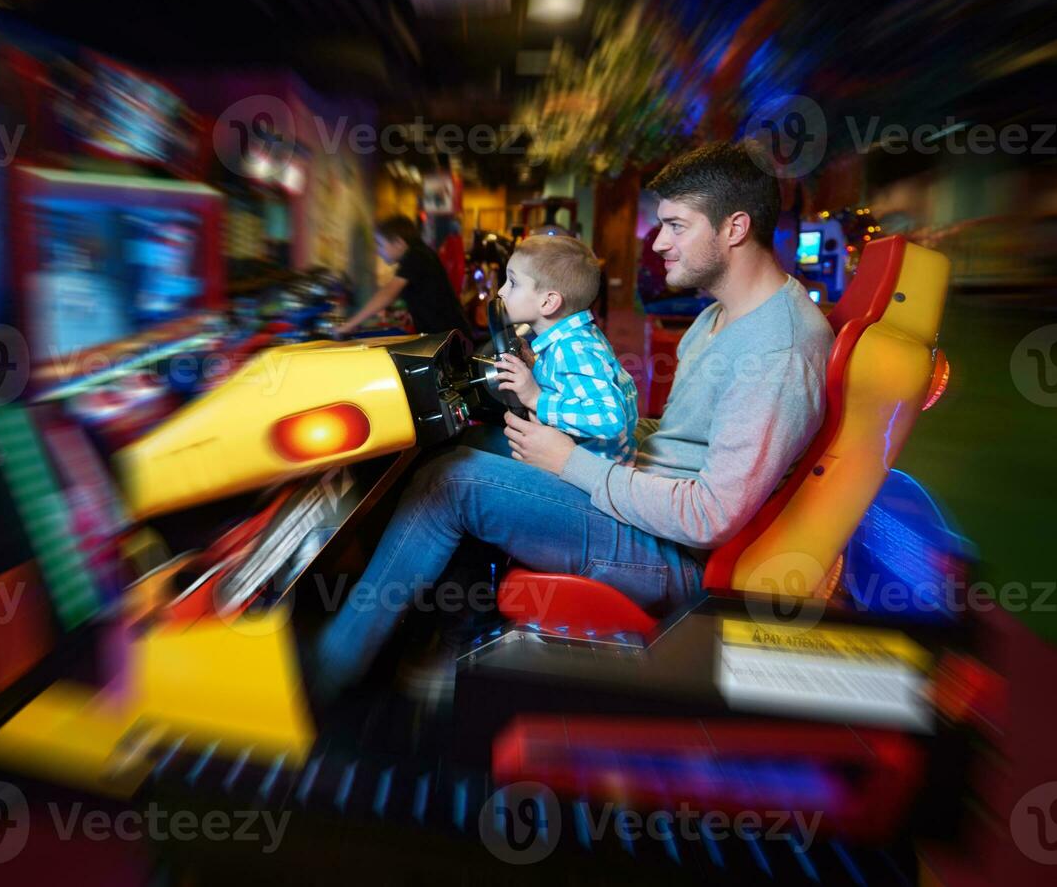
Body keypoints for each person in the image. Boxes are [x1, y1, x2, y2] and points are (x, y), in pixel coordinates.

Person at [312, 141, 834, 696]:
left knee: (450, 484)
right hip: (643, 503)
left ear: (734, 228)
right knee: (471, 440)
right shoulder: (717, 317)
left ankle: (326, 676)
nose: (658, 243)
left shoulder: (779, 350)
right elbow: (676, 439)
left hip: (672, 555)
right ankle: (443, 636)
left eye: (676, 226)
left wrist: (571, 460)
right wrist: (562, 424)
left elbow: (708, 517)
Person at [492, 235, 638, 465]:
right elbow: (567, 384)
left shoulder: (572, 349)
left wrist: (536, 398)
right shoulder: (573, 336)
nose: (501, 291)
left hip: (592, 471)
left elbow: (610, 418)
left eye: (513, 283)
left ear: (548, 302)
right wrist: (533, 366)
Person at [337, 216, 472, 338]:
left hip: (448, 339)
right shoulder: (420, 253)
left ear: (399, 243)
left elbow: (388, 293)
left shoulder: (415, 257)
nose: (378, 251)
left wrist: (350, 324)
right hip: (449, 336)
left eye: (380, 244)